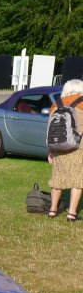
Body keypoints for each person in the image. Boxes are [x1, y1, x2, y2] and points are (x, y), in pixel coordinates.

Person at [47, 79, 83, 221]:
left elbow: (50, 129)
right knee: (78, 180)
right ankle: (72, 213)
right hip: (79, 147)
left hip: (58, 147)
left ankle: (52, 210)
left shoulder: (56, 104)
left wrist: (50, 151)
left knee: (57, 179)